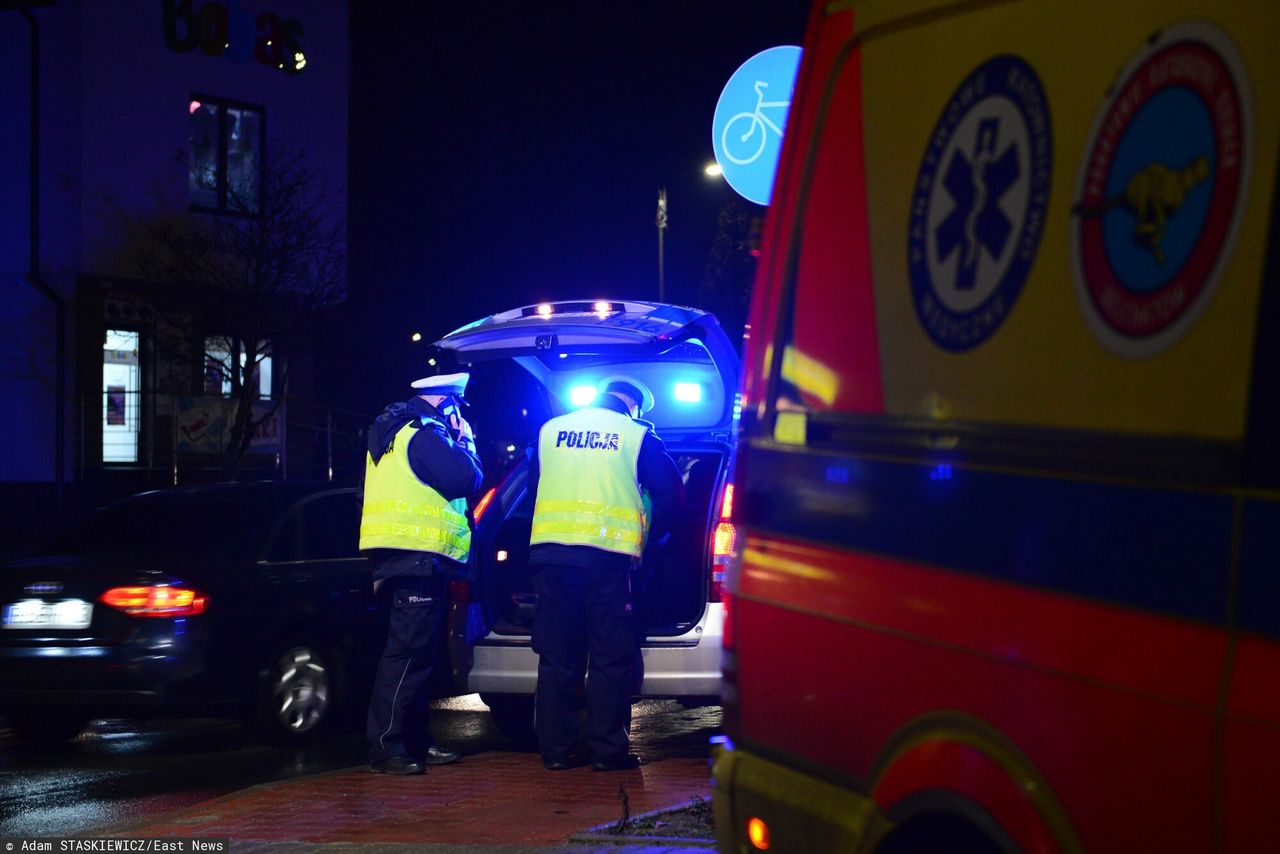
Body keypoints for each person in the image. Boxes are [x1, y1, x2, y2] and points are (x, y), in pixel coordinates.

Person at [527, 379, 682, 771]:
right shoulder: (635, 435)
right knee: (609, 658)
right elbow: (672, 493)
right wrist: (653, 536)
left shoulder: (550, 430)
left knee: (558, 658)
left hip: (552, 558)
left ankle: (556, 753)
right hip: (608, 563)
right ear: (634, 405)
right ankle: (608, 753)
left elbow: (534, 489)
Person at [359, 372, 483, 775]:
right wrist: (465, 440)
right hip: (415, 557)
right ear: (446, 403)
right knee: (407, 654)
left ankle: (415, 740)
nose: (458, 414)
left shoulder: (395, 431)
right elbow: (466, 478)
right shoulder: (424, 434)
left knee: (418, 656)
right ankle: (387, 747)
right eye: (456, 407)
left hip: (404, 556)